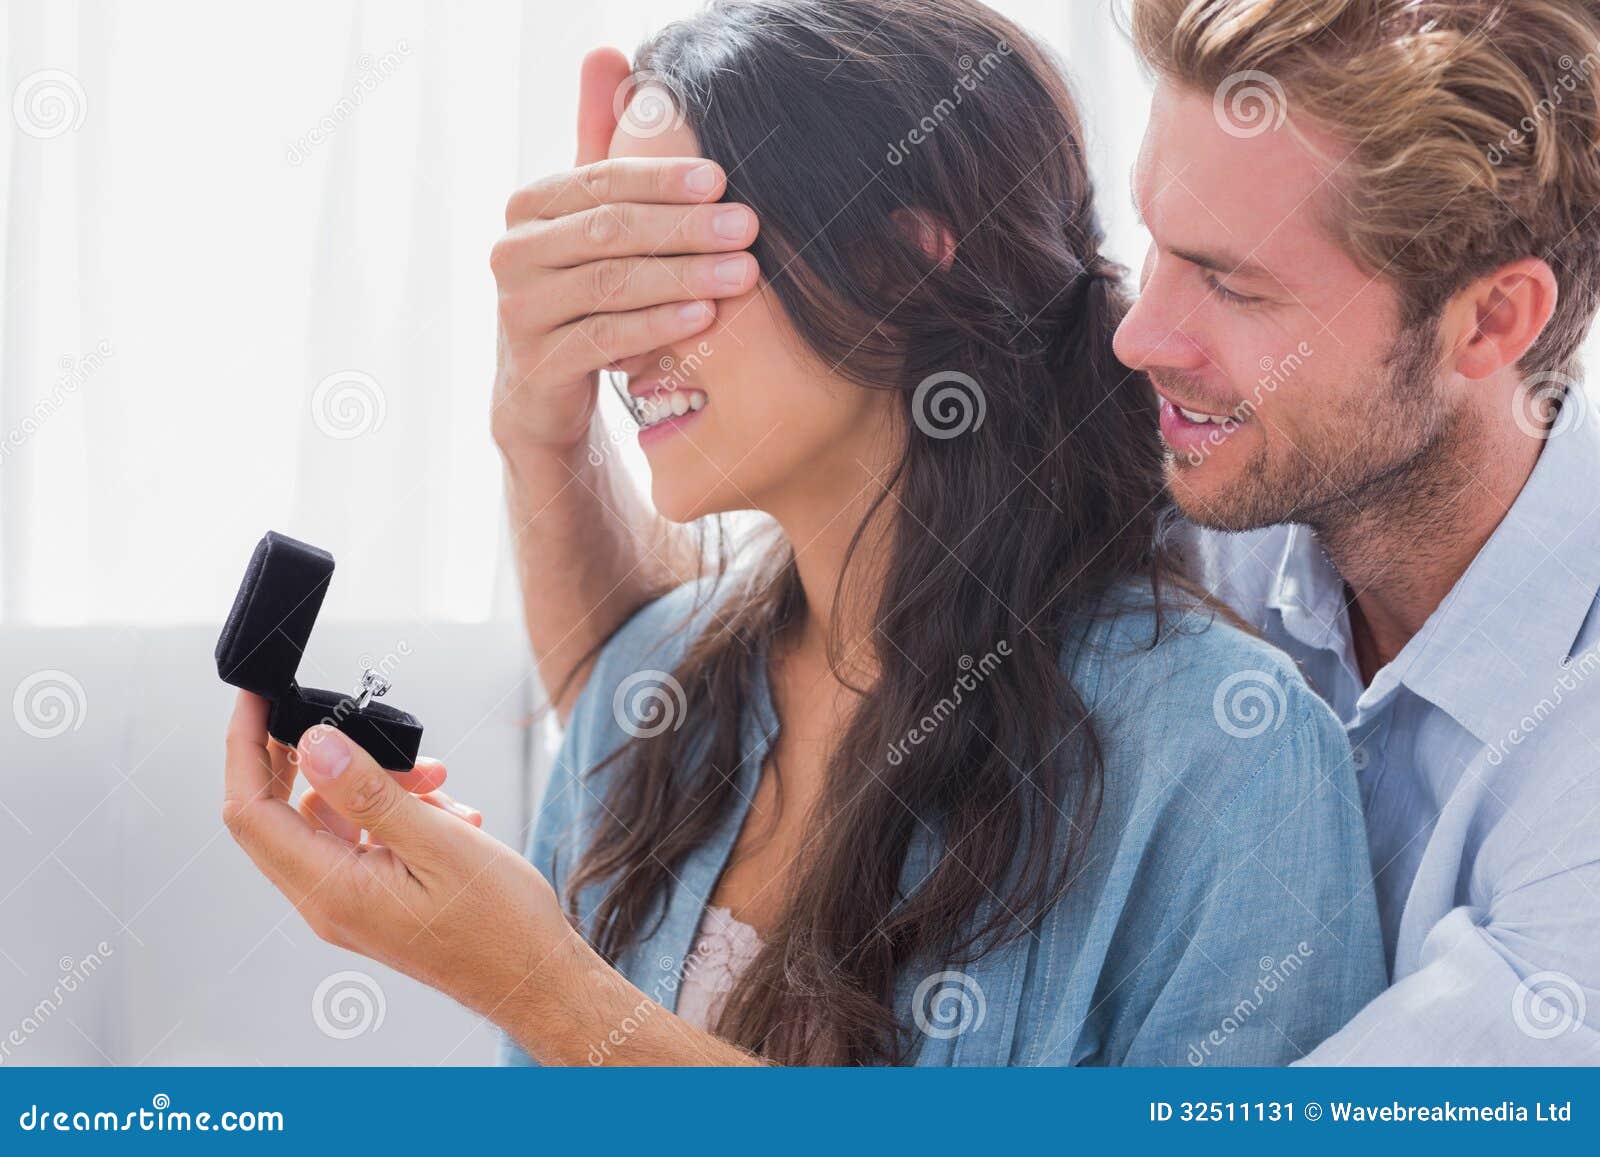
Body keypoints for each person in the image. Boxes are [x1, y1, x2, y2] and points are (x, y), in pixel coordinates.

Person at [223, 0, 1385, 1065]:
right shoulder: (649, 684)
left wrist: (545, 987)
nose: (617, 339)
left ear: (898, 263)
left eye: (669, 258)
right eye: (602, 267)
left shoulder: (1224, 758)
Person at [1116, 0, 1600, 1063]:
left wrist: (658, 1054)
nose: (1136, 333)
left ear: (1488, 322)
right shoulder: (1225, 470)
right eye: (1151, 243)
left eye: (1230, 282)